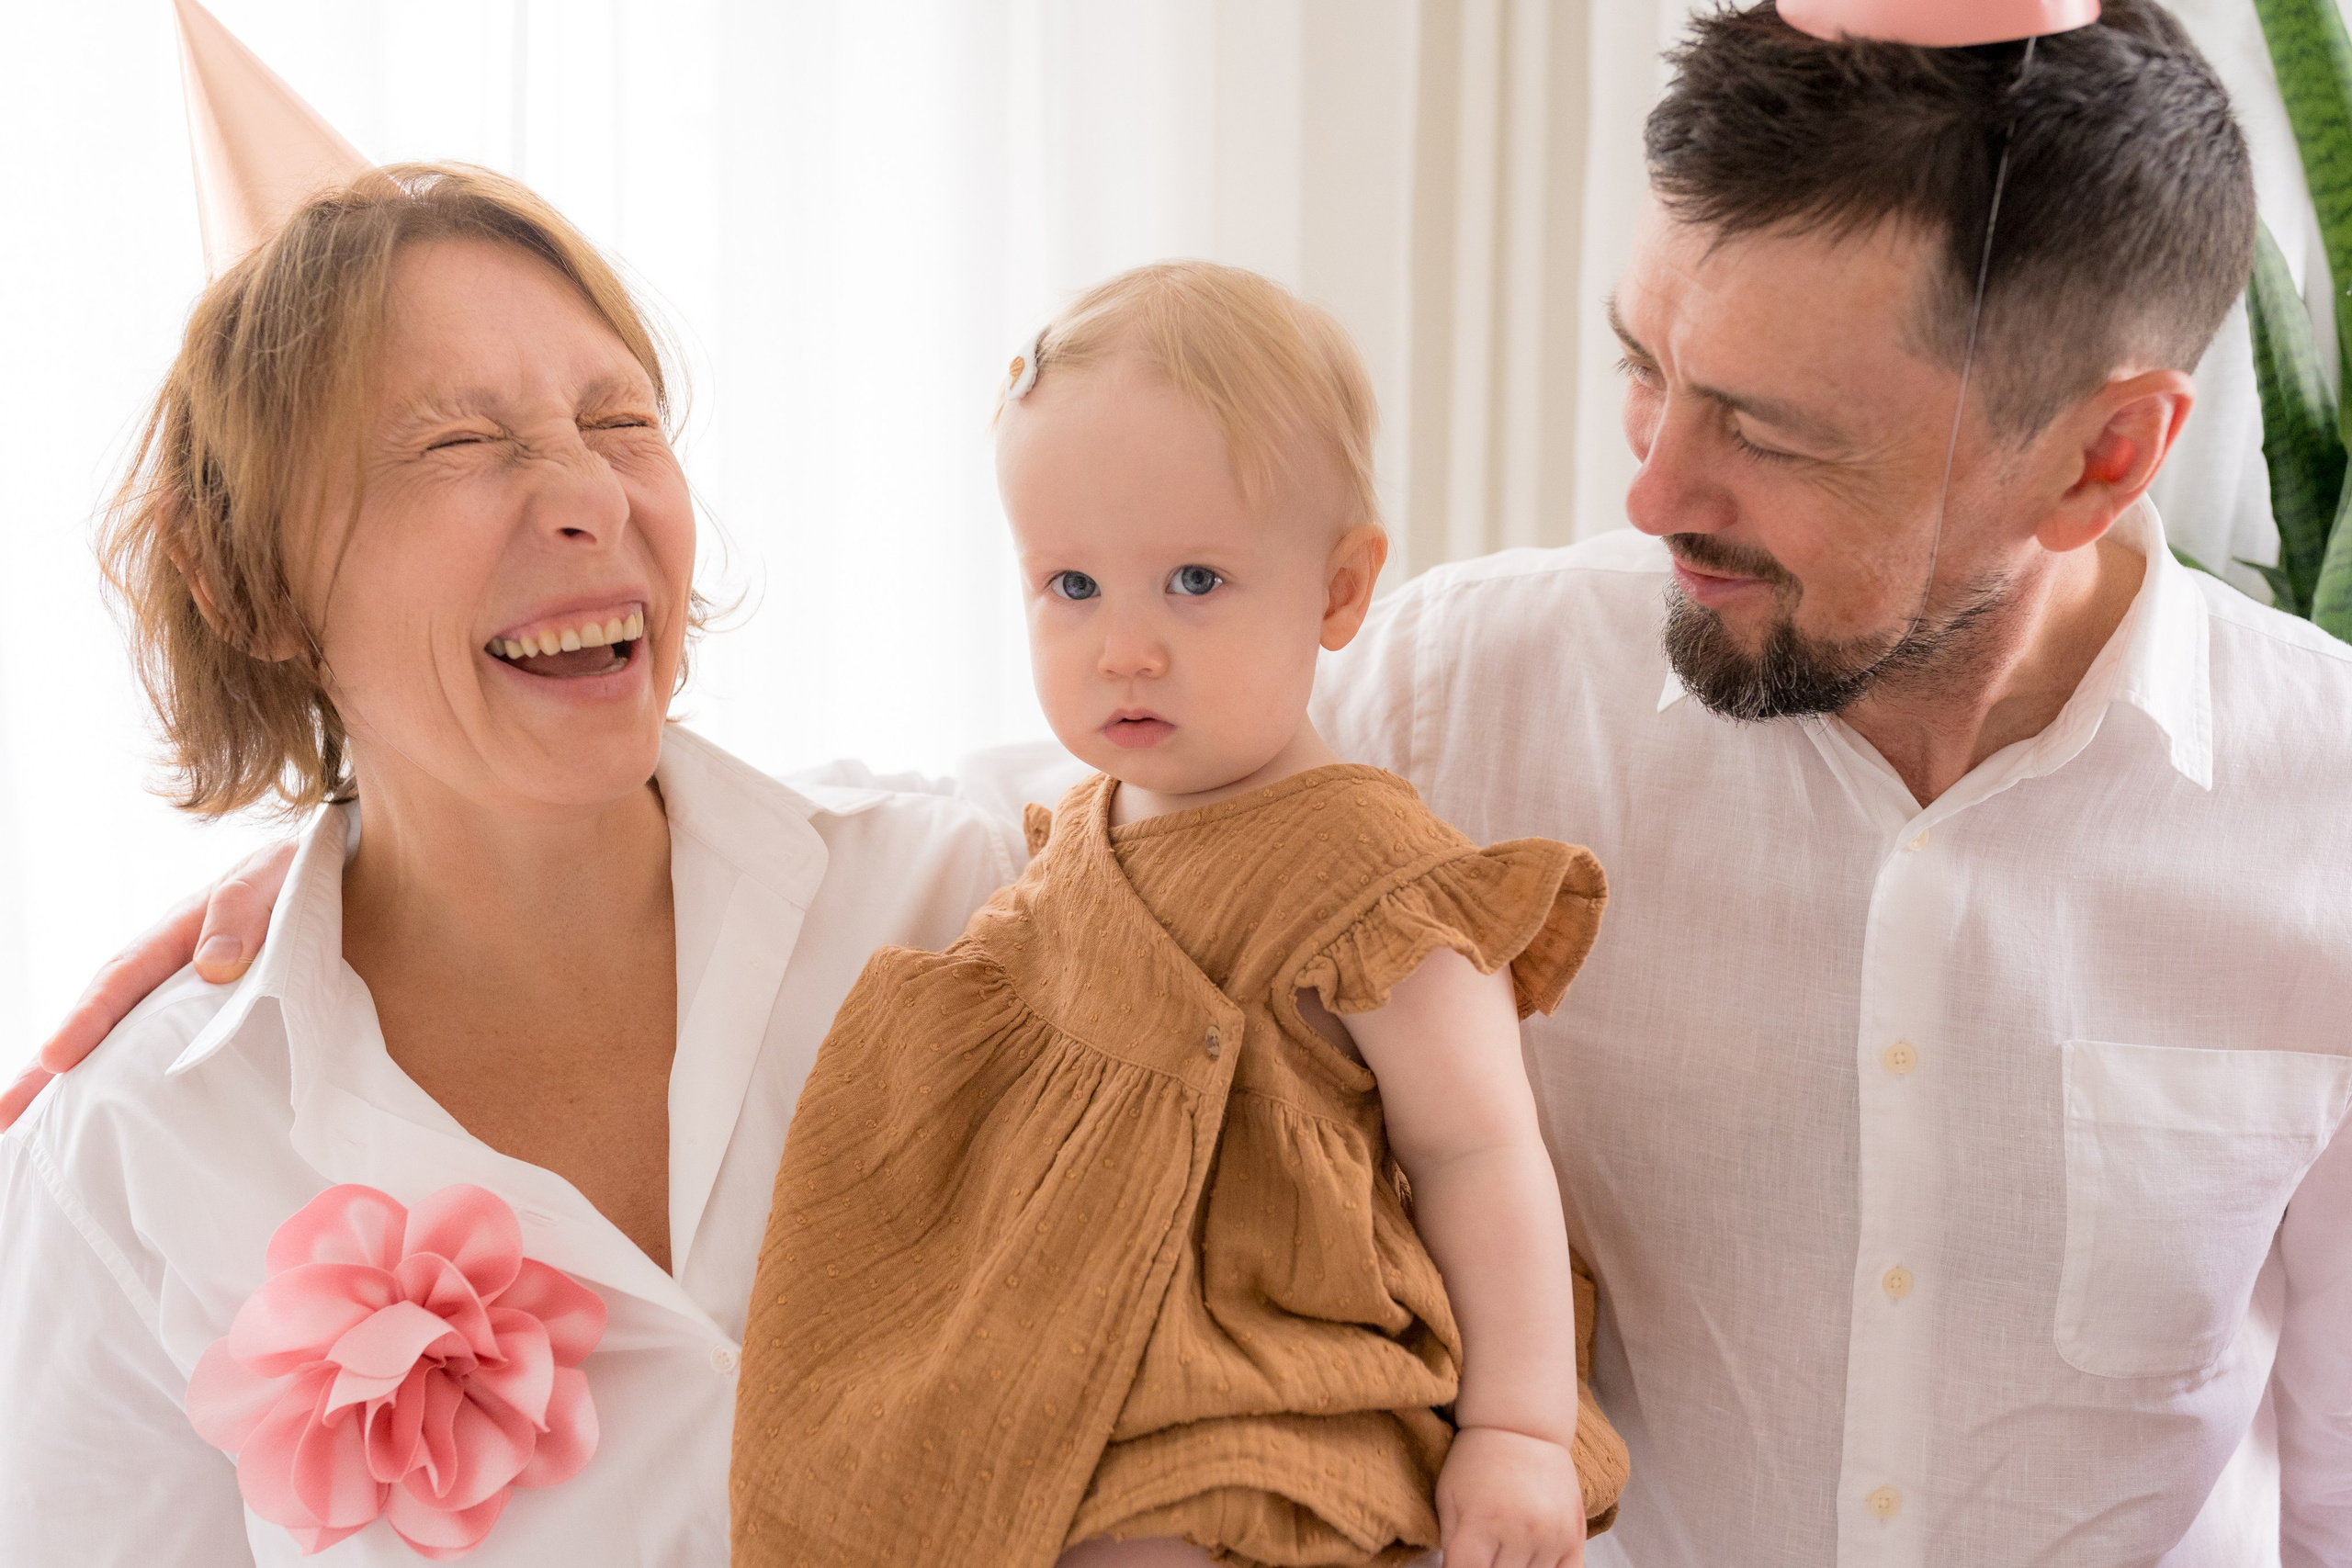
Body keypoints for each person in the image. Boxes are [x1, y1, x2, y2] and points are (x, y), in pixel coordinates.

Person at [17, 2, 2352, 1561]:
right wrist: (327, 876)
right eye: (1641, 370)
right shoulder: (1442, 688)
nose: (1643, 487)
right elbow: (1089, 789)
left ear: (2109, 453)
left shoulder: (2319, 825)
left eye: (1769, 432)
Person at [0, 163, 1018, 1564]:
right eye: (457, 443)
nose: (592, 496)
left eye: (622, 421)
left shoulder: (974, 899)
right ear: (246, 581)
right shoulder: (136, 1149)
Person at [729, 263, 1625, 1568]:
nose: (1125, 648)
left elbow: (1481, 1154)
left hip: (1273, 1355)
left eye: (1194, 582)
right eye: (1072, 588)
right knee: (887, 1463)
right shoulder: (1083, 829)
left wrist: (1522, 1429)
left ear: (1336, 593)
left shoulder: (1370, 875)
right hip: (1064, 1327)